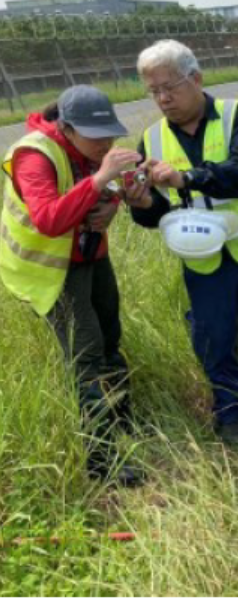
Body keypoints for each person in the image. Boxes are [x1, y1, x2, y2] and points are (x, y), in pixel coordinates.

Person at [126, 39, 238, 446]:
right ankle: (230, 411)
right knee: (215, 340)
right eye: (153, 91)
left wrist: (185, 178)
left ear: (197, 78)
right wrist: (139, 203)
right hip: (204, 265)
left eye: (170, 86)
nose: (163, 98)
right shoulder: (151, 140)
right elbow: (155, 214)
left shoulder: (236, 116)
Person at [0, 86, 143, 486]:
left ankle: (123, 426)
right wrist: (101, 179)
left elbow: (103, 189)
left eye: (110, 135)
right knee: (87, 356)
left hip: (90, 255)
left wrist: (113, 202)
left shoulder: (89, 153)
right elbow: (47, 217)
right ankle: (103, 461)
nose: (105, 144)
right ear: (66, 128)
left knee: (110, 339)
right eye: (95, 137)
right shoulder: (34, 155)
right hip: (51, 271)